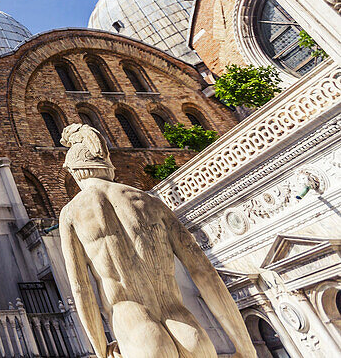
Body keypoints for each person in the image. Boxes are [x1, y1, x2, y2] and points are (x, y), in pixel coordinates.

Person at [58, 124, 254, 358]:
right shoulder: (150, 202)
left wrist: (101, 351)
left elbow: (82, 292)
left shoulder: (72, 213)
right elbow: (206, 274)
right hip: (189, 331)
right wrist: (245, 347)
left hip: (138, 333)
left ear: (76, 171)